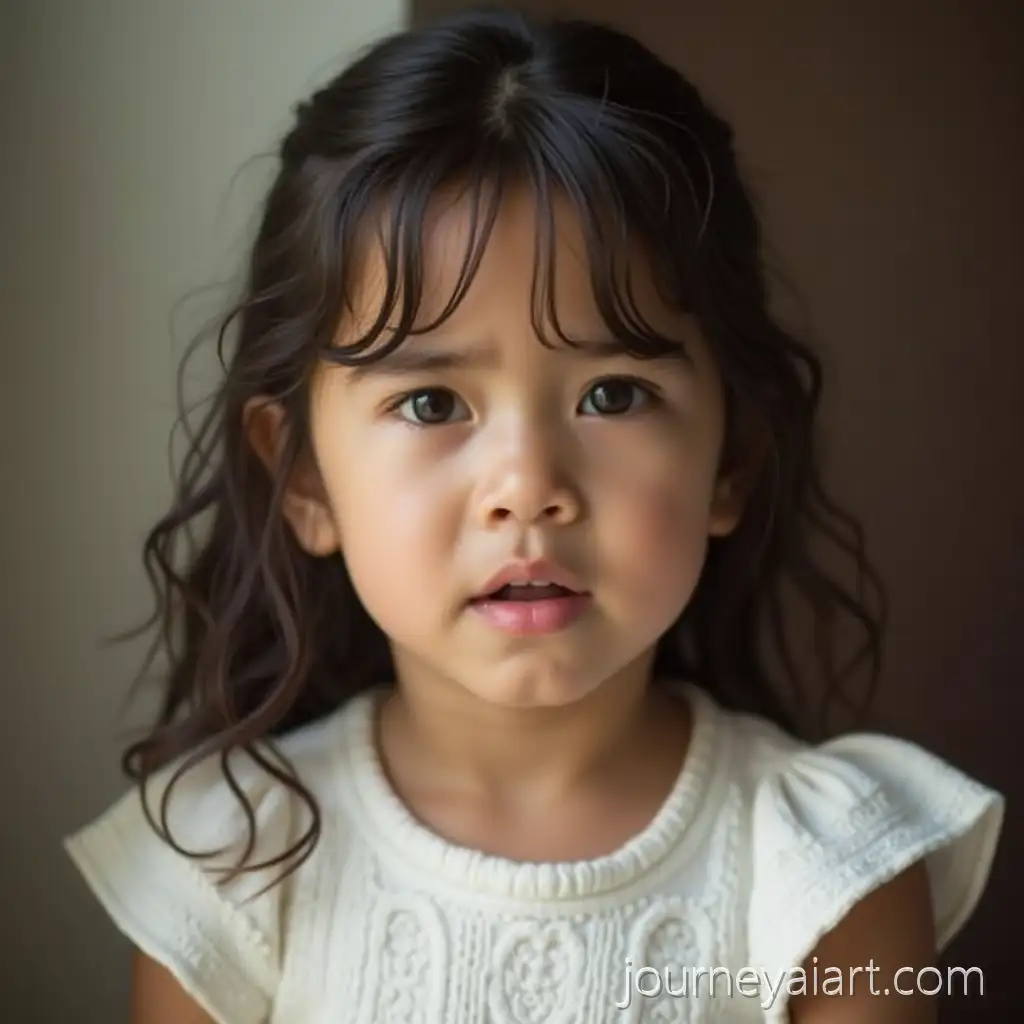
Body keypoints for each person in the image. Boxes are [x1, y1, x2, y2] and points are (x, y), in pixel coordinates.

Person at [64, 6, 1004, 1023]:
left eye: (611, 394)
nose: (527, 484)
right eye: (431, 404)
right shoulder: (232, 864)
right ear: (303, 480)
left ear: (729, 459)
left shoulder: (831, 879)